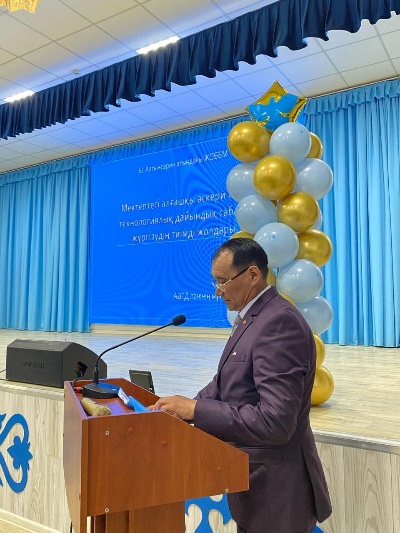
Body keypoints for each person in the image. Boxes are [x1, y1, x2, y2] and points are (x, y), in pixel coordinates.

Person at [149, 238, 332, 533]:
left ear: (253, 275)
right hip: (255, 488)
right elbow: (225, 383)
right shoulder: (252, 318)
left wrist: (195, 410)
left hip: (277, 492)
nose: (217, 291)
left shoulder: (279, 323)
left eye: (223, 281)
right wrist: (180, 409)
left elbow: (275, 421)